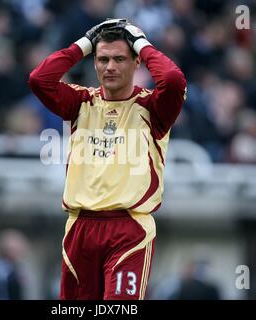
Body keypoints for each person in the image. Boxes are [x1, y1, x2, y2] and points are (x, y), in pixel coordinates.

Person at [29, 18, 186, 300]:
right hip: (79, 227)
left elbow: (173, 80)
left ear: (137, 63)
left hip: (129, 229)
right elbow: (39, 79)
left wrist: (141, 43)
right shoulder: (80, 102)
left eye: (119, 59)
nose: (109, 67)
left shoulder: (153, 108)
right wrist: (84, 44)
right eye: (102, 59)